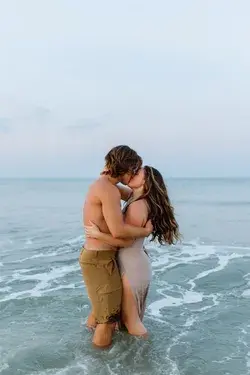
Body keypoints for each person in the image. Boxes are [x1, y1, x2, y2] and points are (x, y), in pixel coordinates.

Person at [85, 166, 181, 337]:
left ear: (146, 181)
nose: (132, 173)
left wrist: (98, 234)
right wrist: (111, 173)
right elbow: (111, 187)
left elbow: (126, 241)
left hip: (131, 264)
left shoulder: (137, 205)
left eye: (137, 173)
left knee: (131, 321)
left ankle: (148, 358)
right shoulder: (134, 197)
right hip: (134, 261)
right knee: (114, 315)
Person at [79, 145, 153, 348]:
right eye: (134, 170)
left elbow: (132, 196)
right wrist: (144, 232)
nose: (134, 174)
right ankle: (97, 364)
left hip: (101, 257)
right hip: (99, 259)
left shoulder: (106, 185)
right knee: (108, 320)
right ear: (126, 169)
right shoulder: (108, 189)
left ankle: (87, 352)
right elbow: (119, 231)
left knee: (101, 312)